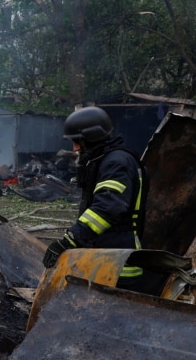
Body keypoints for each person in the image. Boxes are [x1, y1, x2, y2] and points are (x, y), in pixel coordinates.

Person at [43, 106, 158, 293]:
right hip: (107, 258)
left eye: (77, 141)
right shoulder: (110, 159)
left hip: (118, 263)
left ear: (91, 137)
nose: (75, 148)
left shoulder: (116, 163)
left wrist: (69, 240)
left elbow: (107, 209)